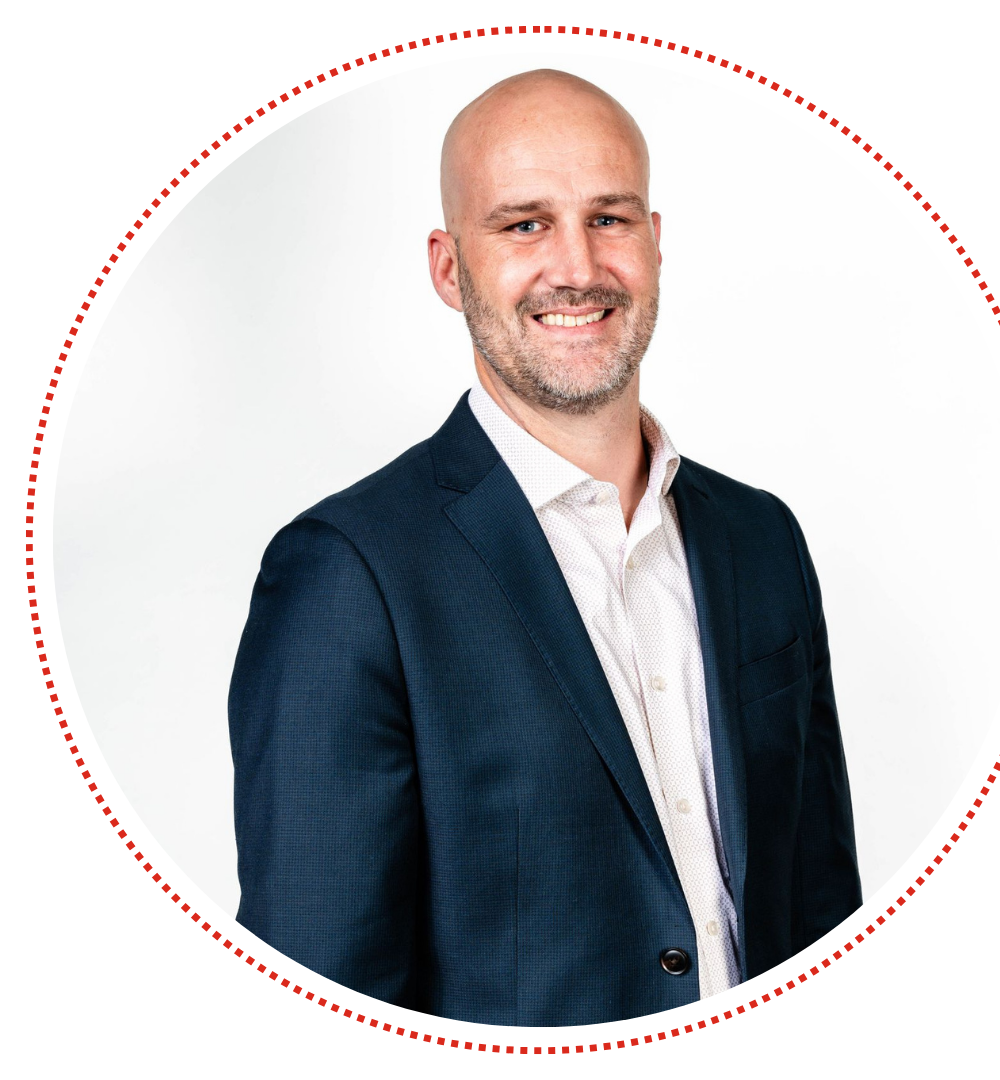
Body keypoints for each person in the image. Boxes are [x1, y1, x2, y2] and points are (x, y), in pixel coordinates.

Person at [228, 68, 861, 1027]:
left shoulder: (761, 539)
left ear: (655, 241)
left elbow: (824, 918)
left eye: (609, 218)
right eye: (524, 224)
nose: (577, 266)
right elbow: (323, 1010)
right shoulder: (348, 574)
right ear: (449, 268)